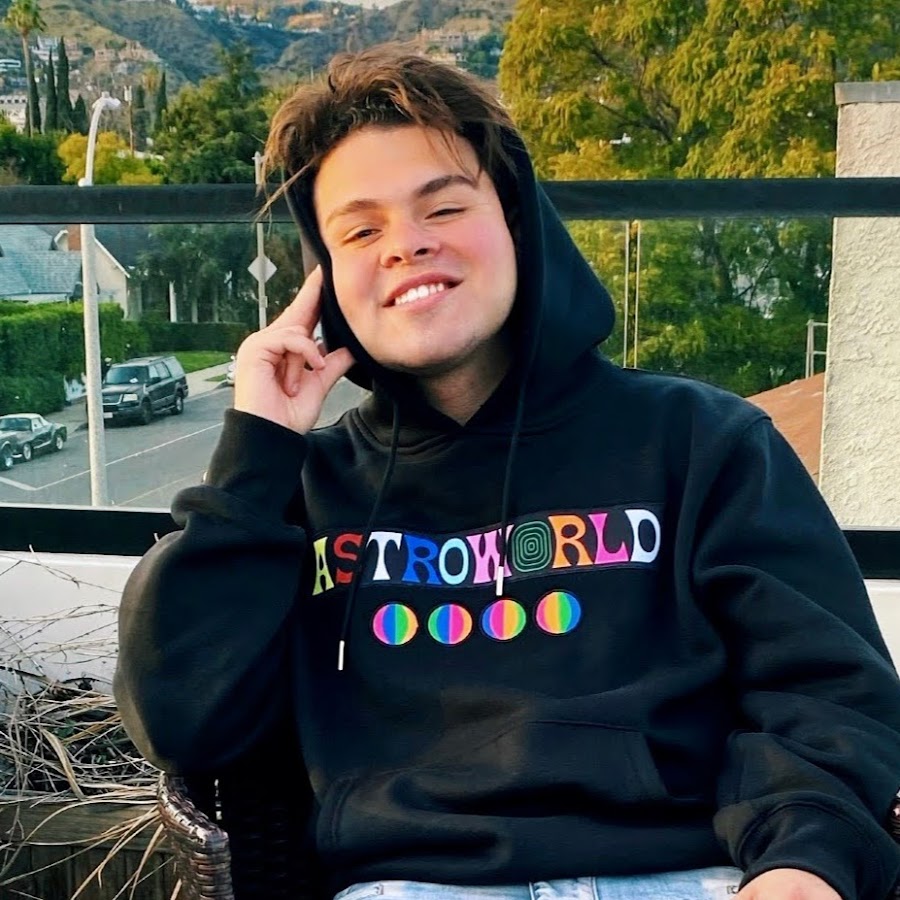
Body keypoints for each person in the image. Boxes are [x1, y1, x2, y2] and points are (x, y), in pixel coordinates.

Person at [114, 44, 900, 900]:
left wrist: (802, 862)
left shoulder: (703, 442)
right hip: (410, 886)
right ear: (326, 279)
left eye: (443, 207)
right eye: (361, 230)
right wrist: (254, 454)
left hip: (697, 874)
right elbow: (182, 721)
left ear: (519, 223)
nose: (407, 245)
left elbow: (828, 691)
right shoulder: (300, 492)